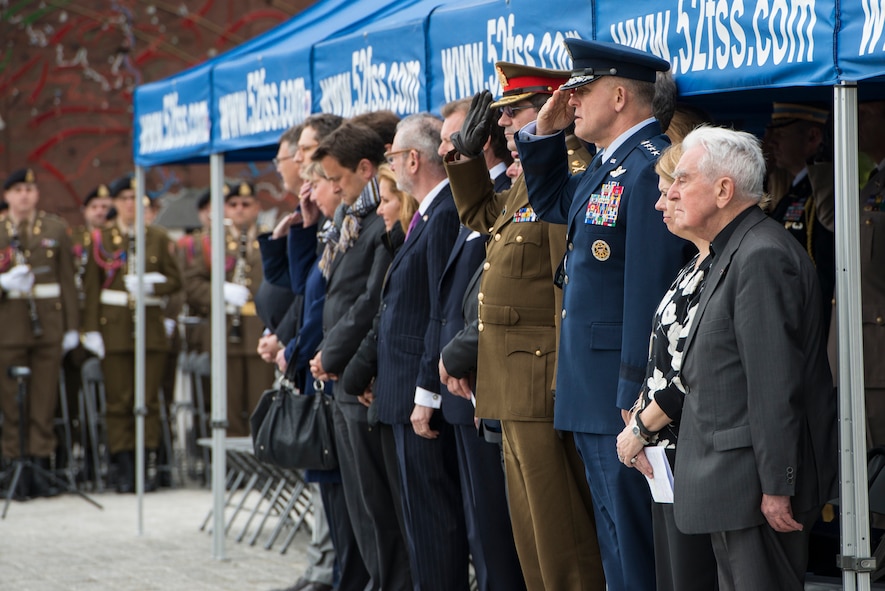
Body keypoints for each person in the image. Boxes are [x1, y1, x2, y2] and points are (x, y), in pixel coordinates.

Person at [515, 39, 690, 591]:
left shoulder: (646, 167)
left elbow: (648, 293)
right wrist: (542, 134)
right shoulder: (608, 164)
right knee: (614, 542)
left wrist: (633, 395)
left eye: (581, 90)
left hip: (617, 393)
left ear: (618, 96)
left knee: (632, 548)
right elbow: (551, 204)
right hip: (592, 389)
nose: (571, 102)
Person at [443, 61, 604, 591]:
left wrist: (567, 378)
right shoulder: (532, 180)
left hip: (543, 380)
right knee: (530, 530)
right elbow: (485, 220)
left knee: (560, 532)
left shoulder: (572, 173)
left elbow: (568, 291)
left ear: (557, 108)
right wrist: (464, 160)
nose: (507, 125)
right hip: (513, 382)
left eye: (518, 112)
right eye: (505, 115)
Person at [668, 126, 837, 590]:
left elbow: (774, 383)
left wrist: (778, 486)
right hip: (736, 486)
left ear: (724, 190)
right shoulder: (736, 249)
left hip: (757, 491)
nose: (672, 191)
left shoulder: (760, 254)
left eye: (683, 179)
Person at [309, 122, 412, 591]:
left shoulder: (377, 224)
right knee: (361, 503)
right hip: (343, 372)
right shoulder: (352, 223)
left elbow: (370, 301)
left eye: (339, 179)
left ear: (365, 169)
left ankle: (387, 581)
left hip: (358, 373)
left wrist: (336, 358)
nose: (332, 189)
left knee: (378, 505)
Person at [614, 143, 718, 591]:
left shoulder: (724, 267)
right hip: (665, 457)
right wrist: (639, 419)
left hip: (694, 451)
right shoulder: (694, 262)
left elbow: (699, 367)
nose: (660, 202)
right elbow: (662, 353)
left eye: (672, 189)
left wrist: (640, 427)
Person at [368, 113, 465, 590]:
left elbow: (439, 312)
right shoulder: (428, 211)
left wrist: (425, 391)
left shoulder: (445, 211)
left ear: (411, 158)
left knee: (433, 522)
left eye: (391, 156)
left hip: (418, 393)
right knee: (416, 520)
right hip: (403, 389)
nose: (390, 165)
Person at [81, 174, 182, 493]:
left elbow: (175, 280)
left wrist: (154, 284)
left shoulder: (157, 236)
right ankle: (122, 465)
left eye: (136, 198)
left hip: (149, 327)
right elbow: (91, 287)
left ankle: (145, 463)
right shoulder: (101, 239)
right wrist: (91, 330)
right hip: (114, 328)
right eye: (124, 198)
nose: (130, 204)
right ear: (115, 203)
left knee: (148, 399)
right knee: (119, 401)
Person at [0, 168, 79, 498]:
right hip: (8, 327)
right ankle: (14, 465)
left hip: (47, 326)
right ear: (7, 196)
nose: (24, 195)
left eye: (30, 189)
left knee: (43, 401)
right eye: (18, 189)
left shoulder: (55, 228)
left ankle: (40, 468)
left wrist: (73, 328)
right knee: (10, 402)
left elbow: (68, 283)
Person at [183, 181, 274, 437]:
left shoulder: (270, 238)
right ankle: (233, 470)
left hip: (260, 330)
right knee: (228, 406)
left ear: (257, 207)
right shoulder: (210, 242)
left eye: (246, 204)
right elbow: (191, 283)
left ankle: (259, 464)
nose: (240, 210)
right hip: (223, 333)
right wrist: (219, 291)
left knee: (261, 402)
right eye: (233, 205)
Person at [765, 102, 836, 330]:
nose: (772, 141)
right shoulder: (795, 190)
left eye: (781, 134)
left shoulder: (825, 192)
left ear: (813, 137)